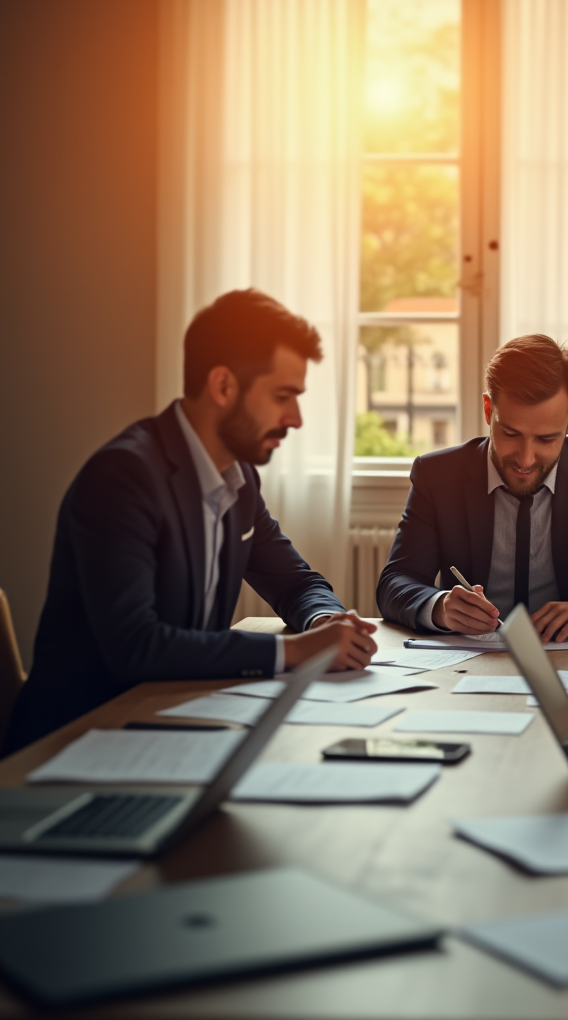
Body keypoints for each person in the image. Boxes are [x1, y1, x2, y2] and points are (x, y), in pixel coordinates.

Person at [4, 289, 377, 755]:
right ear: (223, 386)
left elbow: (296, 582)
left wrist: (323, 620)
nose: (296, 419)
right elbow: (135, 646)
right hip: (76, 743)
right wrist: (297, 651)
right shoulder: (123, 477)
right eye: (283, 396)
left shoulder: (238, 478)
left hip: (174, 718)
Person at [376, 334, 568, 640]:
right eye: (510, 433)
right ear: (487, 410)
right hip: (466, 660)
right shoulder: (438, 475)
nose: (525, 458)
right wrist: (440, 607)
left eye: (546, 439)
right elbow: (396, 583)